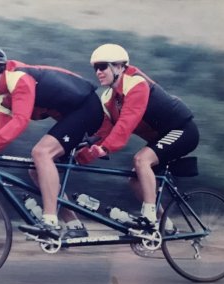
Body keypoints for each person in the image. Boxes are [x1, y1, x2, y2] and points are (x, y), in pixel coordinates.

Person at [0, 44, 103, 239]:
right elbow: (0, 138)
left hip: (86, 109)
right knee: (36, 169)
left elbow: (20, 121)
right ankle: (74, 225)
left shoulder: (19, 79)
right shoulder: (1, 97)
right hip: (70, 116)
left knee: (41, 153)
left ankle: (50, 222)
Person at [76, 43, 199, 226]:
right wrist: (83, 154)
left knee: (141, 160)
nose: (98, 72)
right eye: (95, 68)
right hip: (160, 138)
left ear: (119, 66)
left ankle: (148, 217)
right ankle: (164, 225)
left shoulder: (136, 83)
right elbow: (105, 131)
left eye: (102, 66)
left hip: (182, 130)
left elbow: (127, 122)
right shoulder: (108, 98)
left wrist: (106, 148)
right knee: (135, 179)